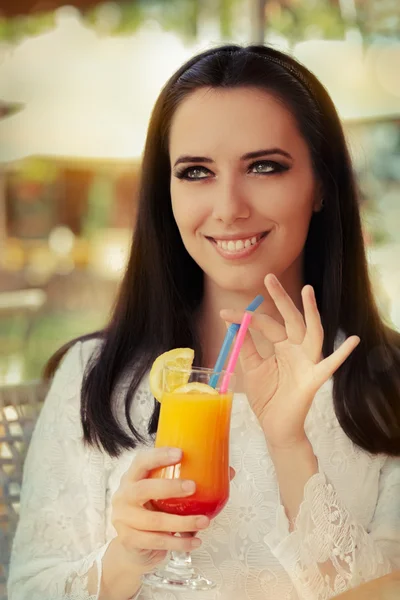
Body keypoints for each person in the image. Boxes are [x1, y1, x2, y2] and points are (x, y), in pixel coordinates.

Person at [8, 44, 400, 600]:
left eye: (264, 166)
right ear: (165, 193)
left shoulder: (389, 382)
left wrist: (289, 444)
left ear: (322, 186)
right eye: (196, 172)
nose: (228, 207)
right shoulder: (94, 375)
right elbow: (28, 590)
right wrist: (125, 559)